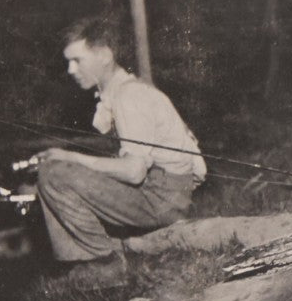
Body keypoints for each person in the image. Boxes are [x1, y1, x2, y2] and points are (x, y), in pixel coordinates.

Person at [34, 16, 206, 285]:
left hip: (161, 199)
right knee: (54, 172)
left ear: (104, 55)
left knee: (54, 174)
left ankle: (104, 262)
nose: (70, 69)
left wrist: (71, 157)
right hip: (168, 193)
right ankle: (83, 262)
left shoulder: (130, 97)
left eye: (77, 60)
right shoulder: (122, 92)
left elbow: (134, 172)